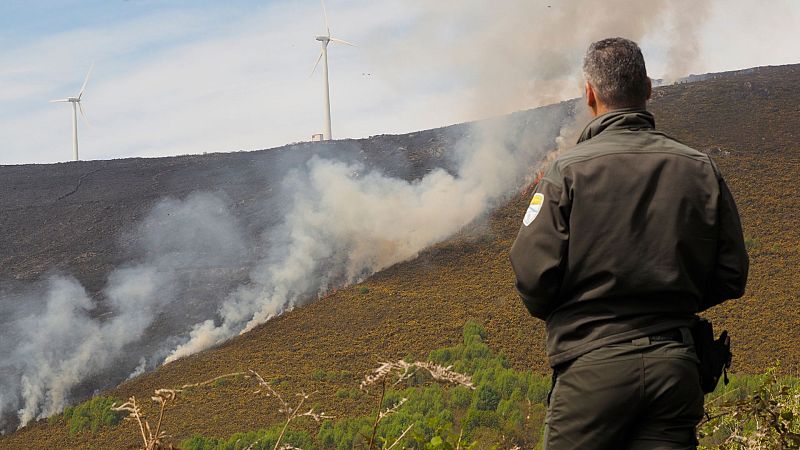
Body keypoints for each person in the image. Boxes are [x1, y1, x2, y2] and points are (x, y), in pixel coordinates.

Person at [509, 37, 749, 449]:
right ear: (649, 89)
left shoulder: (566, 172)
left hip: (592, 369)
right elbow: (731, 274)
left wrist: (585, 308)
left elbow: (533, 279)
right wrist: (673, 294)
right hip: (675, 369)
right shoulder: (699, 168)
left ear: (590, 94)